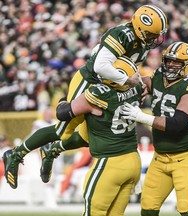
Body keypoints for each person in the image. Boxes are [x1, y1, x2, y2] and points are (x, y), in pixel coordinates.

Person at [2, 4, 168, 189]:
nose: (155, 39)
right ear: (139, 27)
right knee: (62, 130)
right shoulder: (121, 34)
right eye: (152, 34)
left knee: (88, 136)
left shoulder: (140, 42)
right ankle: (16, 154)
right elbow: (100, 66)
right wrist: (128, 81)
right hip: (90, 80)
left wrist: (136, 84)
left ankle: (52, 149)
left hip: (109, 86)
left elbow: (124, 66)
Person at [121, 41, 188, 215]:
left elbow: (176, 124)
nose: (171, 65)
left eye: (177, 62)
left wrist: (140, 117)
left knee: (187, 209)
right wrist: (133, 86)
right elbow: (141, 82)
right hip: (160, 157)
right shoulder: (158, 76)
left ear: (187, 65)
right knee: (148, 206)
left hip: (185, 157)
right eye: (169, 60)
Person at [56, 56, 142, 216]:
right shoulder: (136, 89)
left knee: (92, 213)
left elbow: (63, 113)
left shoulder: (99, 94)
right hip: (133, 160)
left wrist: (64, 100)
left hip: (110, 163)